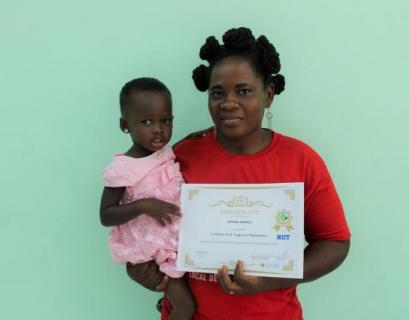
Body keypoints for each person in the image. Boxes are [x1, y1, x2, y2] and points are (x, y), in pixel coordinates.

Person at [126, 28, 351, 320]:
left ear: (268, 95)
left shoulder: (301, 160)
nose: (228, 102)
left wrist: (269, 279)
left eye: (243, 91)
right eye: (217, 93)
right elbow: (146, 231)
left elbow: (334, 243)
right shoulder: (179, 157)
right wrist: (142, 272)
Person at [100, 77, 195, 320]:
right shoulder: (122, 169)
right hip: (150, 251)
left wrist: (205, 134)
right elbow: (106, 215)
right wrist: (143, 205)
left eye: (165, 120)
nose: (158, 129)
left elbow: (184, 143)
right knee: (186, 308)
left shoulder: (164, 152)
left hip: (173, 242)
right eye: (147, 121)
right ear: (125, 125)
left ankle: (165, 302)